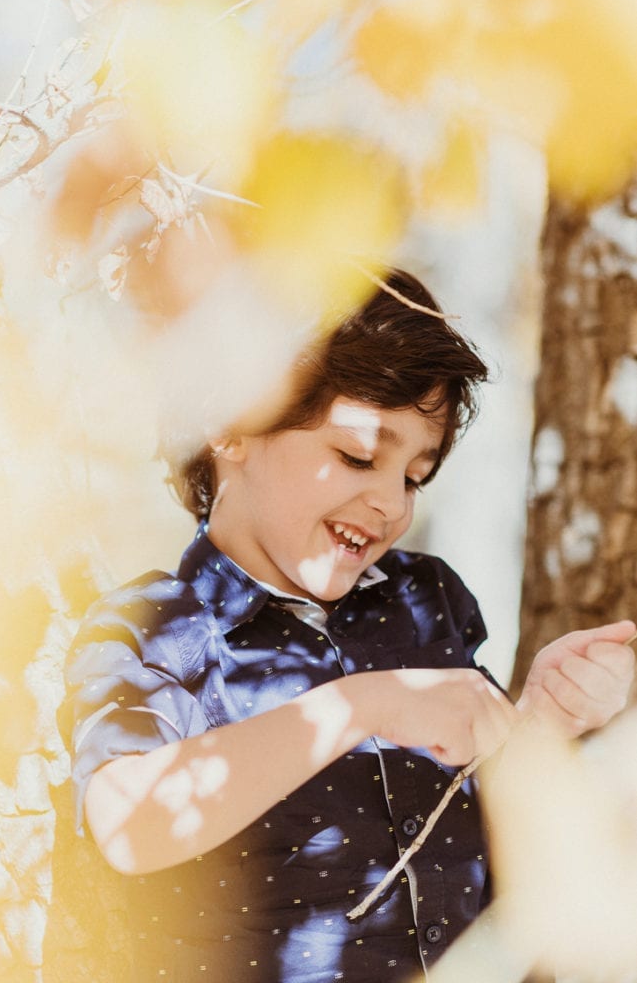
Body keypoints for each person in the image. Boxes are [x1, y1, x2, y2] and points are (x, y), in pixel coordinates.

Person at [61, 268, 635, 983]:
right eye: (357, 456)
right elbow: (126, 822)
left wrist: (539, 723)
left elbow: (479, 831)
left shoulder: (428, 599)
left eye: (414, 476)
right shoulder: (154, 625)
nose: (390, 503)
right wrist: (359, 704)